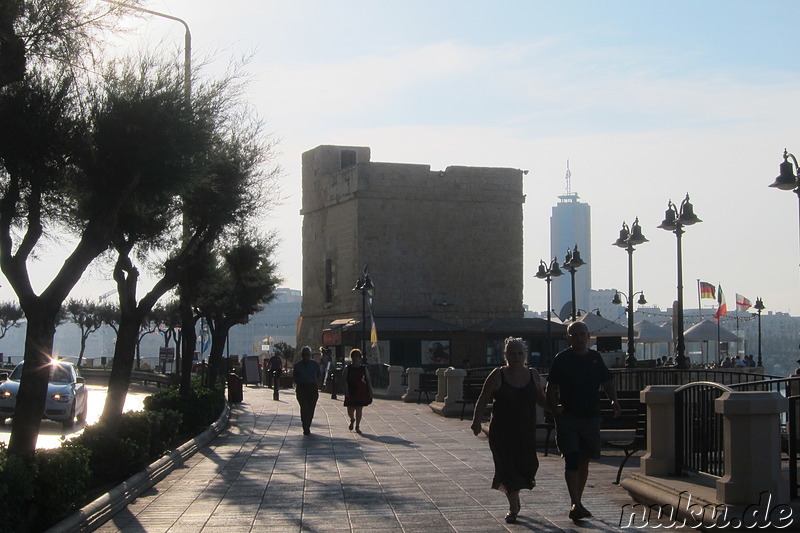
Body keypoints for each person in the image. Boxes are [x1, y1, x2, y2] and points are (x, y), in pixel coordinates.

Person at [546, 322, 621, 522]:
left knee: (584, 459)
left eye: (582, 334)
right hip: (568, 417)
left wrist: (613, 400)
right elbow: (550, 387)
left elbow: (607, 382)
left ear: (588, 336)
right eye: (575, 334)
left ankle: (578, 501)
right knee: (571, 458)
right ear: (568, 337)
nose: (579, 337)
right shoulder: (561, 359)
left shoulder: (595, 358)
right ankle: (574, 502)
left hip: (590, 416)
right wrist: (555, 408)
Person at [471, 337, 548, 524]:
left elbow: (541, 399)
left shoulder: (533, 374)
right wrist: (476, 421)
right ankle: (513, 506)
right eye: (512, 353)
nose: (516, 357)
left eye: (520, 353)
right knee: (506, 468)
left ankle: (515, 494)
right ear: (506, 355)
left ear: (525, 355)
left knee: (528, 466)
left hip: (525, 431)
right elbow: (483, 398)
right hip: (502, 431)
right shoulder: (498, 375)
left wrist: (558, 409)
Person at [293, 346, 323, 435]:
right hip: (302, 388)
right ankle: (305, 426)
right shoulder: (298, 366)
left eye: (307, 355)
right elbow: (295, 377)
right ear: (302, 355)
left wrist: (318, 384)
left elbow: (319, 375)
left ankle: (308, 424)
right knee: (304, 407)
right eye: (304, 355)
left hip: (312, 387)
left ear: (310, 355)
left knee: (311, 408)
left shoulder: (314, 364)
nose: (306, 357)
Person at [342, 348, 373, 433]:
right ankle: (352, 419)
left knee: (359, 409)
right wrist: (345, 390)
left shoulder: (363, 368)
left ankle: (357, 426)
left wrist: (370, 390)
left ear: (360, 357)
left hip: (361, 390)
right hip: (351, 390)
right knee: (350, 409)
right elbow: (344, 380)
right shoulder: (347, 368)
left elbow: (368, 379)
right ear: (351, 357)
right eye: (353, 356)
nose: (355, 358)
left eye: (357, 356)